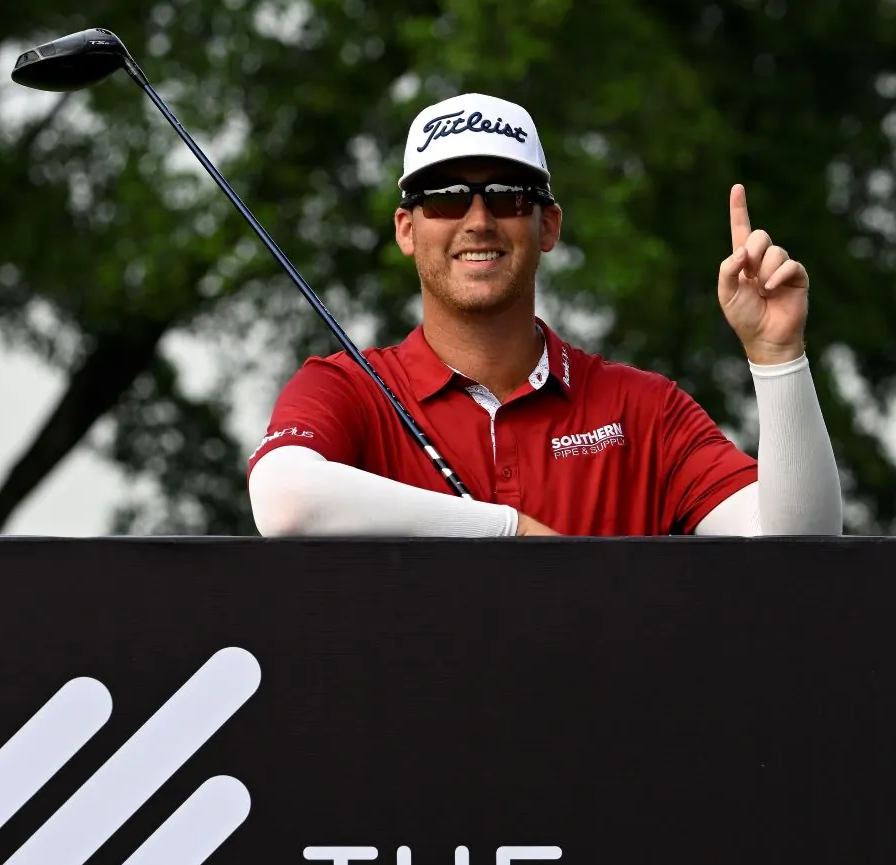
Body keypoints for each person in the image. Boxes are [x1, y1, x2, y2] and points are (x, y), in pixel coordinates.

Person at [247, 92, 842, 537]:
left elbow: (797, 546)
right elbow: (283, 501)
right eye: (446, 199)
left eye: (508, 196)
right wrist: (510, 530)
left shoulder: (644, 410)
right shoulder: (348, 388)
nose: (478, 221)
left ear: (548, 226)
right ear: (407, 229)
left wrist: (777, 357)